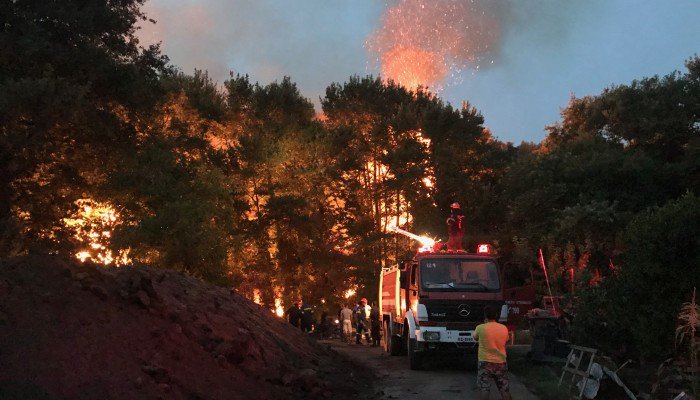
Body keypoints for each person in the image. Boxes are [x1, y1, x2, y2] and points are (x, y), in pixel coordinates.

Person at [473, 305, 511, 400]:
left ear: (485, 315)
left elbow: (475, 338)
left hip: (485, 362)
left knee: (484, 388)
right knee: (504, 389)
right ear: (497, 315)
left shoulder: (480, 328)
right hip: (500, 362)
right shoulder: (504, 328)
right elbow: (506, 340)